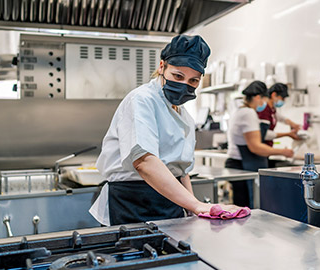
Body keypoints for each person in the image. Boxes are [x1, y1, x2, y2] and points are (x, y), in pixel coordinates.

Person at [89, 35, 241, 226]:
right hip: (133, 202)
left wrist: (192, 212)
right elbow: (144, 161)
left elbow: (181, 170)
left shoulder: (184, 116)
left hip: (171, 202)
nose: (185, 85)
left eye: (193, 81)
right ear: (162, 67)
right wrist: (195, 205)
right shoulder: (142, 100)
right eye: (178, 76)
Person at [225, 81, 294, 207]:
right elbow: (256, 147)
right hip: (242, 165)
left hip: (237, 163)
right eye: (264, 99)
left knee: (242, 206)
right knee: (247, 207)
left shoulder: (241, 110)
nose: (264, 104)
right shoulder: (249, 113)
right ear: (258, 97)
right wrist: (283, 152)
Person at [257, 83, 301, 167]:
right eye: (282, 98)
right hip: (261, 151)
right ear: (274, 95)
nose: (283, 101)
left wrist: (293, 124)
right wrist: (288, 134)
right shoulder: (264, 109)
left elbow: (280, 117)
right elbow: (264, 134)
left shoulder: (272, 109)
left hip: (266, 151)